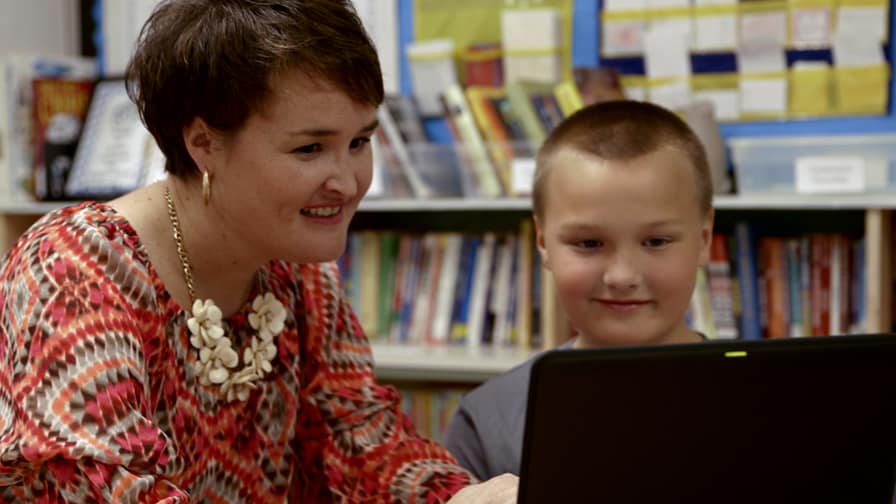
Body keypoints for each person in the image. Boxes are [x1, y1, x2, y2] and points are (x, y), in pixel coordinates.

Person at [0, 1, 518, 501]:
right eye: (309, 149)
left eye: (360, 142)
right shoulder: (77, 270)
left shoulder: (297, 270)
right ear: (204, 143)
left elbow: (364, 442)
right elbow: (105, 486)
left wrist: (463, 498)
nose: (348, 181)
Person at [443, 99, 716, 481]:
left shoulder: (776, 401)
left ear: (704, 240)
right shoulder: (489, 421)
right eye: (589, 244)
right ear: (543, 243)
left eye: (656, 242)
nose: (621, 277)